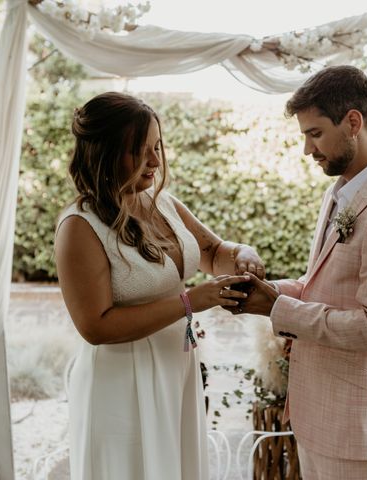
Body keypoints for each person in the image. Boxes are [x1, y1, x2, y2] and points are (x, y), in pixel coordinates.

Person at [54, 91, 264, 480]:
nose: (155, 161)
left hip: (176, 368)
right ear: (104, 153)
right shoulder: (80, 228)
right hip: (122, 383)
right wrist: (190, 302)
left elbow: (213, 250)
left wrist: (243, 253)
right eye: (140, 150)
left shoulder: (163, 204)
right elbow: (95, 326)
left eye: (157, 147)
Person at [239, 65, 367, 479]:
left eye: (315, 133)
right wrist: (267, 292)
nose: (308, 149)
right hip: (319, 419)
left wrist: (281, 309)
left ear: (353, 122)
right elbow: (326, 287)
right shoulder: (340, 192)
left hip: (355, 433)